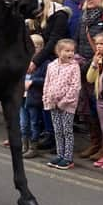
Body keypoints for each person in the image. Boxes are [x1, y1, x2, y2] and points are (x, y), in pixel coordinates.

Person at [27, 0, 71, 150]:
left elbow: (53, 41)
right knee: (45, 100)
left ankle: (60, 143)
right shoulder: (38, 17)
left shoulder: (59, 15)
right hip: (45, 61)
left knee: (58, 104)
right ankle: (48, 134)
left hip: (57, 62)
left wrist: (35, 62)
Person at [74, 0, 103, 161]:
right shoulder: (84, 16)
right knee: (88, 109)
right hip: (84, 64)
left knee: (99, 107)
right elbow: (78, 40)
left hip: (99, 66)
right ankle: (95, 143)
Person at [43, 39, 81, 169]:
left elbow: (75, 86)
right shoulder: (51, 65)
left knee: (67, 131)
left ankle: (68, 158)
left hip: (67, 105)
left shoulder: (74, 66)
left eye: (72, 51)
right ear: (59, 51)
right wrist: (47, 98)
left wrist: (64, 102)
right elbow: (47, 83)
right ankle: (60, 155)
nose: (71, 53)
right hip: (53, 104)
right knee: (57, 130)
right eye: (67, 50)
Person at [21, 34, 49, 158]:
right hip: (21, 97)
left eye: (36, 46)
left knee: (34, 123)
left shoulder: (45, 63)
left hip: (34, 97)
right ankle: (24, 145)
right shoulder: (23, 59)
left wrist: (33, 82)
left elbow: (47, 80)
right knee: (23, 123)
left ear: (41, 48)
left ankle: (33, 147)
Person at [86, 31, 103, 170]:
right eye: (97, 43)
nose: (98, 46)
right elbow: (90, 79)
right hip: (101, 99)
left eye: (102, 44)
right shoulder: (98, 59)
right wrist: (94, 64)